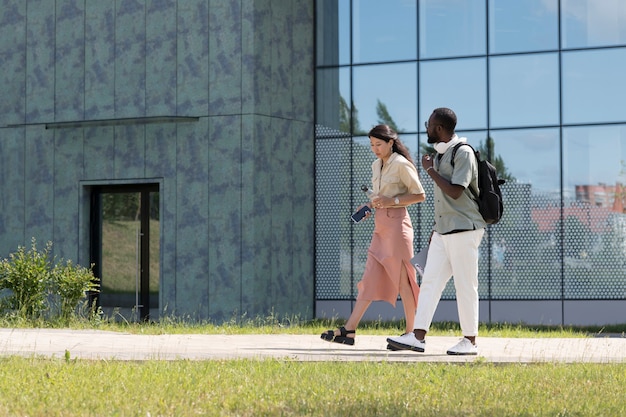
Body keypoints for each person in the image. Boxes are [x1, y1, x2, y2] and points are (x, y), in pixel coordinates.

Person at [387, 107, 486, 355]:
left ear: (439, 128)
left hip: (464, 229)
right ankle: (418, 337)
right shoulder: (440, 155)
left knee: (466, 285)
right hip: (443, 232)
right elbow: (444, 201)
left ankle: (470, 341)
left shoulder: (463, 153)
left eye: (429, 125)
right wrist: (435, 230)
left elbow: (455, 191)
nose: (427, 128)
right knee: (430, 281)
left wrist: (430, 170)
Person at [321, 124, 426, 345]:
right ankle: (349, 330)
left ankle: (412, 334)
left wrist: (392, 202)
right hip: (380, 228)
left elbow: (419, 194)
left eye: (379, 144)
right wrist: (371, 205)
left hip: (397, 228)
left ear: (390, 142)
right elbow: (381, 197)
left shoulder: (401, 164)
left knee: (403, 281)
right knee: (368, 279)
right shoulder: (376, 165)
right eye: (371, 144)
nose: (374, 148)